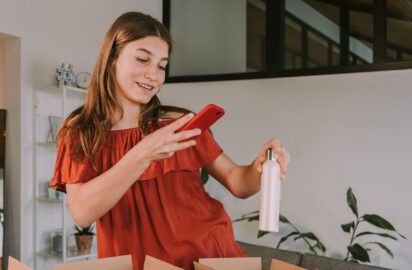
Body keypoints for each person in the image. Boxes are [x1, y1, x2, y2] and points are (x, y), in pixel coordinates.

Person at [50, 11, 290, 270]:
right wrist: (142, 154)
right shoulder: (81, 132)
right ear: (111, 59)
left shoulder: (179, 123)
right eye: (143, 59)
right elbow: (83, 213)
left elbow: (236, 180)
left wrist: (259, 170)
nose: (153, 75)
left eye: (162, 66)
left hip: (209, 258)